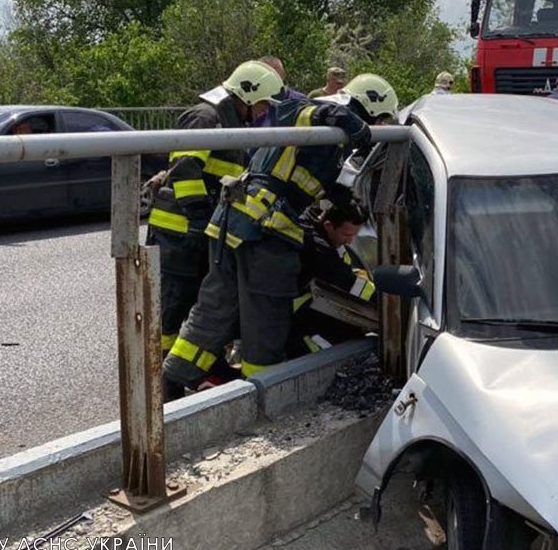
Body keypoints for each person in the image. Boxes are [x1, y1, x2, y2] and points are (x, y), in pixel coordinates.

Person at [162, 71, 397, 391]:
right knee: (265, 324)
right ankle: (261, 393)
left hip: (233, 224)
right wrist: (352, 123)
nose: (381, 129)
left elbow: (310, 182)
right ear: (370, 108)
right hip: (265, 233)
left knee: (213, 312)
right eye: (381, 121)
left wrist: (344, 200)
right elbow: (304, 111)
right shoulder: (319, 113)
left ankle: (172, 382)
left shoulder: (329, 139)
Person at [147, 61, 274, 400]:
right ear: (246, 95)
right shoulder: (205, 117)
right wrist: (202, 217)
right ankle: (162, 385)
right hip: (179, 231)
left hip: (196, 232)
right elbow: (186, 169)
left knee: (195, 306)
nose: (263, 112)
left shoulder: (228, 120)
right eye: (262, 104)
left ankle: (191, 371)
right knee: (171, 313)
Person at [288, 200, 375, 357]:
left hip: (311, 301)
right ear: (328, 225)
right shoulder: (319, 249)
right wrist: (385, 302)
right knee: (335, 354)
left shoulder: (313, 220)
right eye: (347, 235)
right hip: (298, 315)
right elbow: (349, 285)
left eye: (355, 234)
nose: (350, 241)